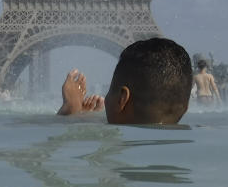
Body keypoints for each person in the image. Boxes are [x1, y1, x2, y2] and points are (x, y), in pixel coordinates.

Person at [58, 37, 193, 125]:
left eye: (109, 92)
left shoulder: (111, 145)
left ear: (122, 99)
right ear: (185, 107)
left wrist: (69, 113)